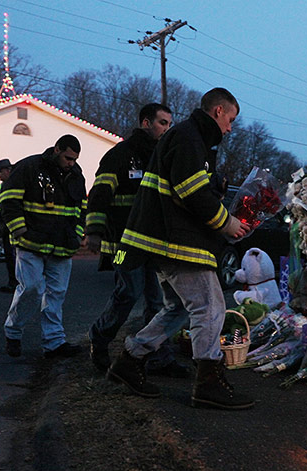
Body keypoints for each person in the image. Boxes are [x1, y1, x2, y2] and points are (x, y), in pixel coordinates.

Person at [107, 88, 255, 410]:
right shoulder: (189, 138)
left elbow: (192, 189)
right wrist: (227, 223)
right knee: (211, 307)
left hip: (167, 241)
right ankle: (208, 384)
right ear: (218, 111)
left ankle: (129, 362)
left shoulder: (192, 139)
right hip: (177, 243)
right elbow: (191, 191)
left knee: (177, 309)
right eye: (230, 120)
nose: (230, 128)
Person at [85, 103, 189, 377]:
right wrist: (94, 231)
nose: (167, 128)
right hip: (123, 243)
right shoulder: (119, 156)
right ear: (146, 123)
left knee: (158, 302)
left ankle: (159, 357)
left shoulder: (161, 156)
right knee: (128, 293)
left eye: (169, 123)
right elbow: (99, 194)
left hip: (152, 243)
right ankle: (99, 337)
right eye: (162, 123)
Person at [0, 135, 86, 359]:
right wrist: (20, 230)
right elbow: (8, 200)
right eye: (68, 158)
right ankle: (13, 331)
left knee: (56, 295)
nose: (71, 163)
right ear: (57, 149)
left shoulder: (76, 174)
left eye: (75, 159)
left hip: (62, 245)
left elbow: (81, 208)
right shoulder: (29, 167)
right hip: (31, 243)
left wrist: (76, 235)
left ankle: (54, 342)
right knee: (31, 288)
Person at [0, 158, 18, 293]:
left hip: (13, 226)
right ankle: (13, 281)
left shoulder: (13, 185)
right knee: (10, 255)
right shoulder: (3, 187)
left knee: (14, 255)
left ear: (8, 171)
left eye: (0, 172)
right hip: (6, 225)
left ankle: (16, 282)